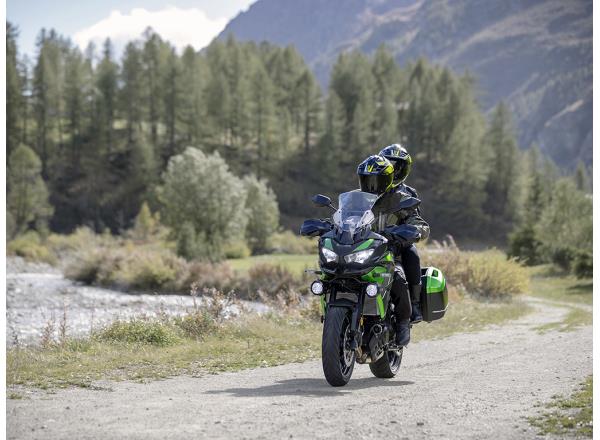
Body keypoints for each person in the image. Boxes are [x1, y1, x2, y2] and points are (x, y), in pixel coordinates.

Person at [356, 155, 429, 347]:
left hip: (389, 251)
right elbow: (343, 217)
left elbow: (419, 223)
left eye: (376, 180)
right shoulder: (357, 199)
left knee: (397, 277)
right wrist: (329, 226)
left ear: (387, 180)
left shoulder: (400, 198)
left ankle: (404, 321)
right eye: (366, 180)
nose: (371, 185)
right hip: (361, 251)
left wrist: (413, 230)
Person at [379, 144, 429, 324]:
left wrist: (412, 230)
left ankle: (414, 304)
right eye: (389, 164)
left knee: (412, 254)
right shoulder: (369, 188)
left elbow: (416, 219)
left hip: (398, 243)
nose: (393, 169)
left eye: (397, 166)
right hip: (370, 243)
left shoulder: (408, 193)